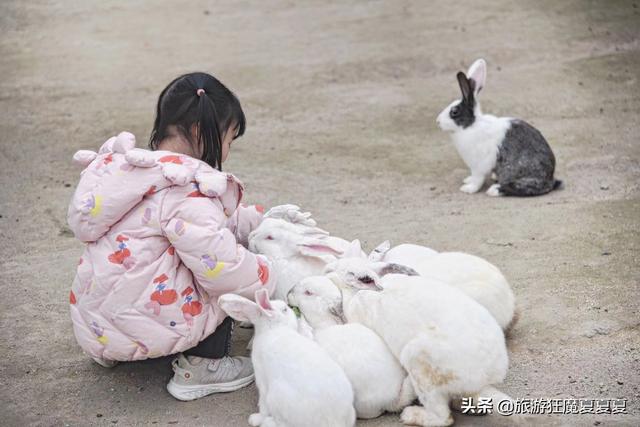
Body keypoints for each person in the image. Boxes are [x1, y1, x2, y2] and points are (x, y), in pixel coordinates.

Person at [67, 72, 275, 401]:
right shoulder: (187, 189)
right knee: (219, 272)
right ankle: (203, 367)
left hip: (98, 327)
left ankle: (112, 348)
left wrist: (250, 219)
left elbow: (202, 224)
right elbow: (222, 265)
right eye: (229, 140)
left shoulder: (130, 174)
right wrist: (266, 273)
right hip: (150, 319)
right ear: (199, 131)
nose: (228, 151)